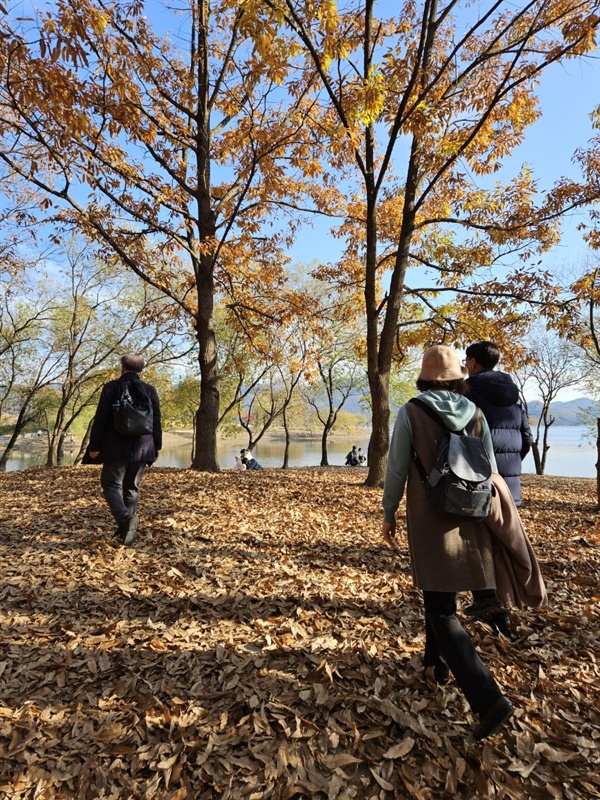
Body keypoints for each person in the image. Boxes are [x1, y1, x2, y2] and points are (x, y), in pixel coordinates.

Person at [381, 344, 514, 741]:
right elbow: (489, 469)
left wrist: (389, 512)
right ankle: (435, 663)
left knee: (441, 608)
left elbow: (397, 467)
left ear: (424, 377)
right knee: (439, 596)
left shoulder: (412, 411)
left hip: (430, 519)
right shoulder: (475, 413)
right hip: (470, 515)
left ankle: (489, 699)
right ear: (459, 377)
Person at [464, 341, 533, 634]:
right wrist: (511, 468)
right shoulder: (514, 397)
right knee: (501, 543)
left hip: (479, 480)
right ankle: (502, 606)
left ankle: (495, 610)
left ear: (474, 362)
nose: (465, 363)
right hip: (509, 484)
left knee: (480, 545)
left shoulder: (467, 392)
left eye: (466, 359)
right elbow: (526, 438)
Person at [85, 354, 161, 546]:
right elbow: (156, 420)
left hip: (115, 446)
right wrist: (157, 446)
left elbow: (101, 418)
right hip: (144, 446)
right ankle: (126, 529)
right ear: (141, 370)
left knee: (110, 485)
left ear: (122, 368)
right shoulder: (150, 390)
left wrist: (94, 446)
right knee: (132, 487)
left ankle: (125, 520)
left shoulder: (112, 388)